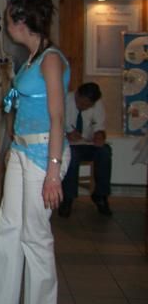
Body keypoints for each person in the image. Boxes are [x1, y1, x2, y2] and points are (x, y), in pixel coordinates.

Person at [0, 0, 70, 304]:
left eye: (8, 19)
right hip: (23, 151)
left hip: (45, 152)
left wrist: (53, 172)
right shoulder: (31, 59)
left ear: (21, 21)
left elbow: (57, 117)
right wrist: (13, 147)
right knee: (8, 229)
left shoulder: (50, 60)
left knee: (35, 237)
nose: (6, 26)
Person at [59, 82, 112, 217]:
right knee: (73, 155)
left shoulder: (97, 103)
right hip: (67, 144)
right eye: (81, 103)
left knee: (105, 151)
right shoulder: (64, 99)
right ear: (77, 94)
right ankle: (68, 198)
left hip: (87, 143)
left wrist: (99, 135)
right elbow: (53, 124)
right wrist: (67, 134)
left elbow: (99, 125)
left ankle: (100, 195)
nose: (83, 107)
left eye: (88, 105)